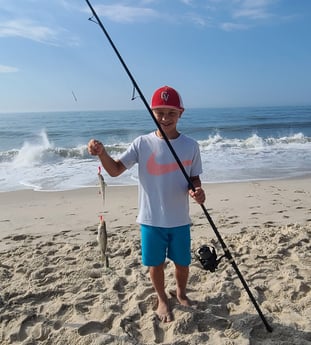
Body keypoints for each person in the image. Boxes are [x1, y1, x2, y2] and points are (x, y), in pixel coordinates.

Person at [88, 85, 205, 322]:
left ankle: (181, 292)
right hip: (151, 220)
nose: (165, 118)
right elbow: (115, 170)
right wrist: (101, 153)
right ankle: (162, 298)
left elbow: (194, 178)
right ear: (152, 112)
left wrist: (198, 192)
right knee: (156, 265)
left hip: (180, 219)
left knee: (183, 264)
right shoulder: (142, 143)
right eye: (160, 112)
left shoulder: (191, 145)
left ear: (180, 113)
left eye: (171, 113)